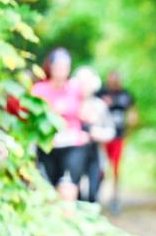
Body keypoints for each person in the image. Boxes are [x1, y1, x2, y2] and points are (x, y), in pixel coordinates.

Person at [31, 48, 90, 202]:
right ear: (50, 67)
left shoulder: (76, 88)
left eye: (65, 66)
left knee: (68, 186)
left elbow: (86, 113)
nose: (61, 70)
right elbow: (32, 118)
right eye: (58, 66)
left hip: (73, 144)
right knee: (51, 188)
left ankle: (70, 220)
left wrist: (86, 130)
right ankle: (56, 222)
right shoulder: (39, 90)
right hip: (48, 145)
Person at [74, 66, 116, 204]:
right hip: (74, 153)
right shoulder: (71, 105)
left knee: (93, 192)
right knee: (76, 192)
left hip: (95, 153)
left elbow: (111, 131)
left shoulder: (100, 106)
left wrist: (97, 133)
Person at [96, 70, 137, 212]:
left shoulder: (126, 95)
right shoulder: (101, 94)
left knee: (115, 168)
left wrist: (129, 128)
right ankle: (96, 195)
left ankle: (115, 198)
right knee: (101, 167)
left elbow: (133, 115)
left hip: (118, 137)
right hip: (103, 137)